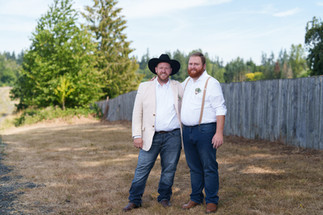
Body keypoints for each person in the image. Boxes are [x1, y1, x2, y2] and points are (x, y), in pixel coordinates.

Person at [123, 54, 183, 212]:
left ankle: (164, 197)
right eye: (161, 67)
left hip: (173, 136)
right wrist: (137, 135)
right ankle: (134, 199)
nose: (163, 70)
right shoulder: (145, 87)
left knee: (169, 169)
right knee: (142, 168)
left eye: (166, 68)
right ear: (156, 69)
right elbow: (137, 112)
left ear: (171, 70)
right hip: (151, 135)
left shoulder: (179, 86)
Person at [181, 52, 227, 213]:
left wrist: (219, 133)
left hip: (205, 130)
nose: (192, 67)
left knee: (209, 166)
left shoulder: (211, 82)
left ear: (203, 66)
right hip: (187, 131)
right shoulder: (186, 82)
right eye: (190, 64)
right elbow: (172, 92)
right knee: (194, 167)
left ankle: (212, 200)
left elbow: (220, 108)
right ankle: (195, 198)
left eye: (196, 64)